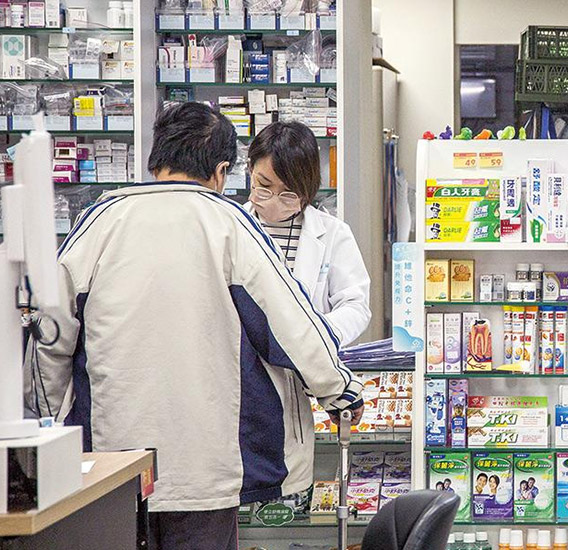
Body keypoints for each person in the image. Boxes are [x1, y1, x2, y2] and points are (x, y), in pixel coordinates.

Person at [28, 102, 364, 550]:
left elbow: (48, 338)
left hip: (110, 468)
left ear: (155, 160)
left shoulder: (98, 222)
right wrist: (341, 392)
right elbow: (295, 327)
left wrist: (51, 431)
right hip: (206, 470)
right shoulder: (230, 224)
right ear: (222, 171)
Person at [246, 121, 371, 348]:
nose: (274, 198)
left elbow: (356, 306)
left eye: (288, 192)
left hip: (309, 358)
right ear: (250, 169)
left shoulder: (333, 234)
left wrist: (316, 334)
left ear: (307, 188)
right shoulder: (232, 227)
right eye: (264, 185)